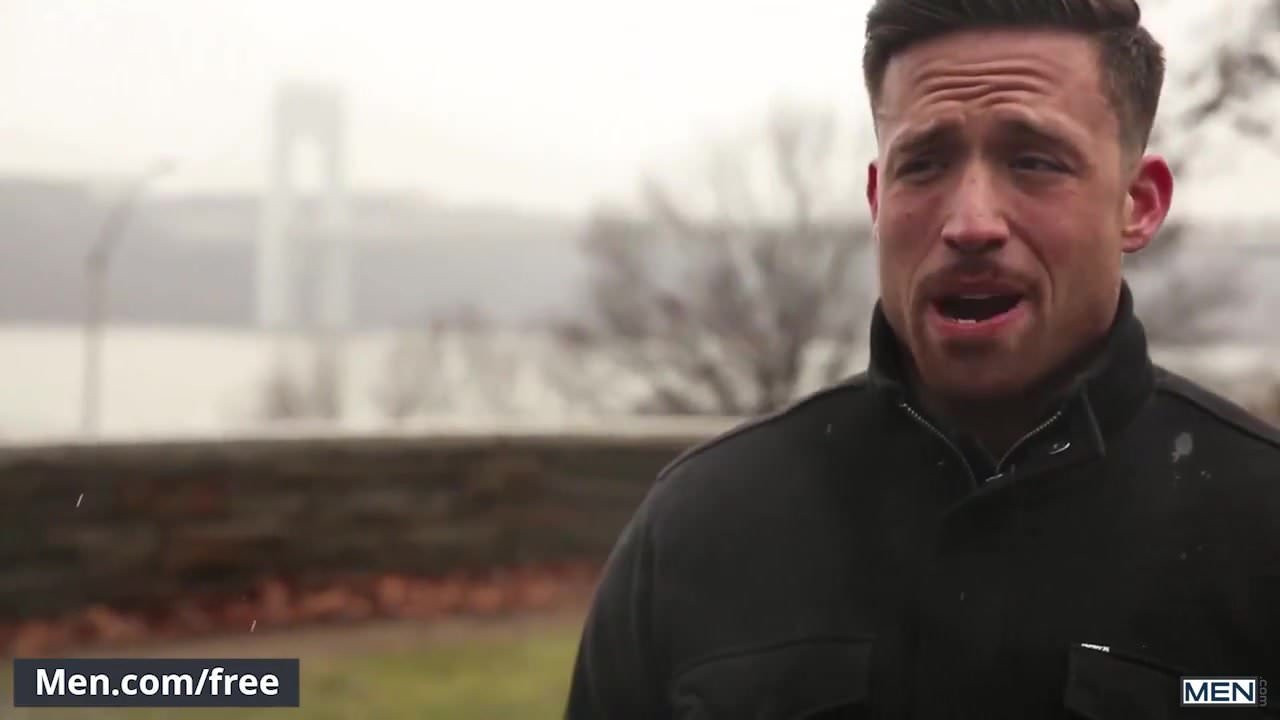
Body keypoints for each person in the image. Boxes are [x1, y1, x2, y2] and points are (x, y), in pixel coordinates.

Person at [566, 0, 1280, 717]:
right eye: (925, 164)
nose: (971, 223)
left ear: (1138, 203)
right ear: (878, 198)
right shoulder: (700, 528)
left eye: (1033, 162)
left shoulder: (1258, 529)